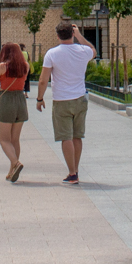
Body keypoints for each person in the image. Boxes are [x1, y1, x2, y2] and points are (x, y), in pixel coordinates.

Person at [34, 22, 94, 184]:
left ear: (57, 36)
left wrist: (39, 98)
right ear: (72, 34)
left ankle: (72, 172)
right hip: (80, 98)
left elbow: (43, 80)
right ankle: (76, 169)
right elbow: (93, 50)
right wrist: (79, 35)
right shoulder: (83, 51)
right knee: (77, 136)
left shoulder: (52, 54)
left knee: (66, 137)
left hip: (61, 100)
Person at [0, 42, 29, 181]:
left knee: (4, 139)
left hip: (6, 100)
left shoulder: (2, 66)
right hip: (20, 100)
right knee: (15, 139)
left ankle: (16, 163)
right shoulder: (25, 66)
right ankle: (11, 171)